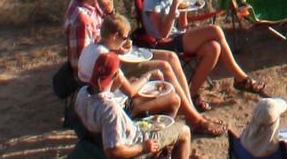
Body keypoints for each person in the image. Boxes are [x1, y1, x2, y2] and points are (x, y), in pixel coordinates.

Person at [74, 45, 192, 159]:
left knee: (149, 117)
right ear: (116, 76)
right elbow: (113, 152)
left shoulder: (82, 94)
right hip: (131, 150)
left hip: (96, 147)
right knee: (184, 131)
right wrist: (143, 147)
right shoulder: (110, 109)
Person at [136, 0, 262, 101]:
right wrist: (174, 8)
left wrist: (183, 10)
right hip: (160, 43)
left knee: (213, 48)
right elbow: (162, 34)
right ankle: (240, 78)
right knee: (215, 30)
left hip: (176, 37)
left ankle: (192, 95)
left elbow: (182, 26)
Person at [81, 7, 210, 130]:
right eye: (124, 38)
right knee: (173, 99)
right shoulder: (108, 59)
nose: (126, 41)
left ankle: (190, 113)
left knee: (138, 81)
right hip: (115, 109)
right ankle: (162, 137)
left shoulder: (90, 49)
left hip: (91, 105)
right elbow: (130, 92)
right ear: (114, 36)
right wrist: (148, 76)